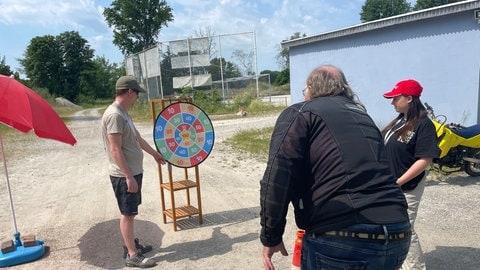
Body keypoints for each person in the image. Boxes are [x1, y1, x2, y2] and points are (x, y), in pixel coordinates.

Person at [260, 65, 411, 270]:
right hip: (398, 233)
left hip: (342, 237)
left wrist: (271, 236)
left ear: (311, 88)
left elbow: (278, 175)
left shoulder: (301, 112)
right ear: (344, 88)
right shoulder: (362, 116)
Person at [101, 75, 166, 268]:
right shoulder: (114, 115)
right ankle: (131, 255)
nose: (137, 98)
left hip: (133, 171)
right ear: (129, 92)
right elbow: (115, 149)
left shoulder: (123, 113)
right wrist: (128, 176)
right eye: (137, 93)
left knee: (131, 212)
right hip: (124, 175)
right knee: (128, 214)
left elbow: (137, 138)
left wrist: (155, 154)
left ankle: (131, 246)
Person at [382, 79, 440, 270]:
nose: (392, 102)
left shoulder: (423, 125)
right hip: (391, 183)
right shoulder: (400, 120)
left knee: (405, 228)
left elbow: (425, 159)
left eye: (395, 98)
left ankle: (415, 267)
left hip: (406, 186)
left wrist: (398, 182)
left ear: (409, 98)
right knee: (392, 226)